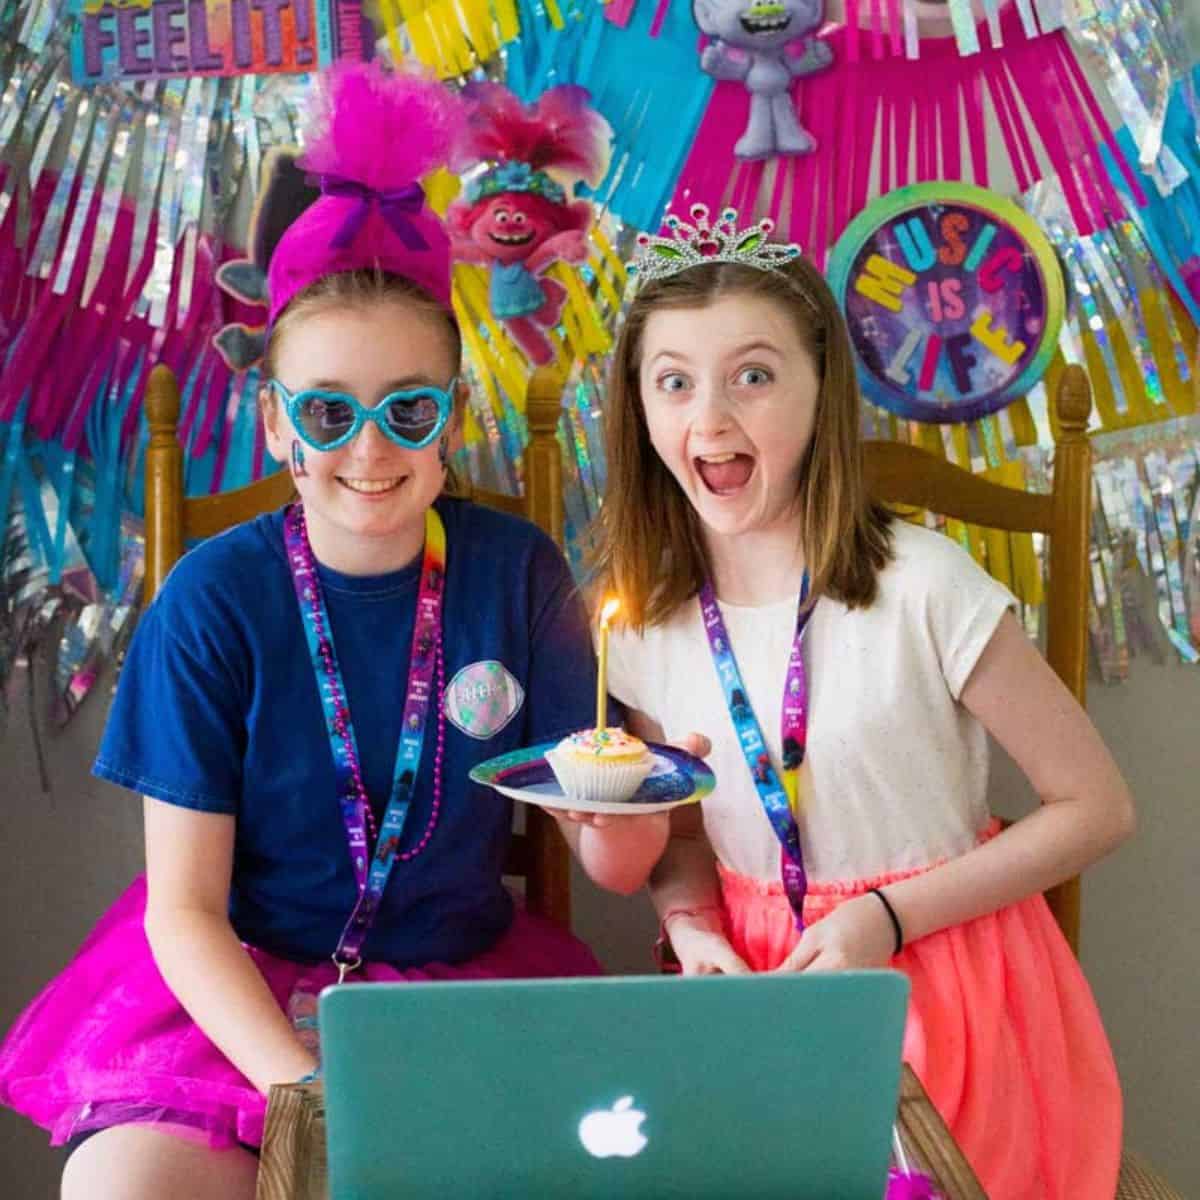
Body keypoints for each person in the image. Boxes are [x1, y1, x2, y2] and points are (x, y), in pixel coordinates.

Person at [0, 62, 668, 1200]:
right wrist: (304, 1088)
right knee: (118, 1189)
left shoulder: (520, 576)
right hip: (234, 998)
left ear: (451, 416)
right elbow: (184, 909)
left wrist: (627, 794)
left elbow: (612, 867)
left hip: (459, 988)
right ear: (274, 422)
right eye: (328, 412)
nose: (370, 452)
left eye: (408, 408)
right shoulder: (213, 602)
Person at [596, 204, 1134, 1200]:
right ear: (637, 407)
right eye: (674, 382)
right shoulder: (642, 627)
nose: (710, 419)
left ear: (820, 391)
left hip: (944, 984)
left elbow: (1097, 806)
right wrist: (692, 927)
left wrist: (889, 917)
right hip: (754, 1001)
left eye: (753, 376)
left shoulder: (924, 588)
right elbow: (678, 843)